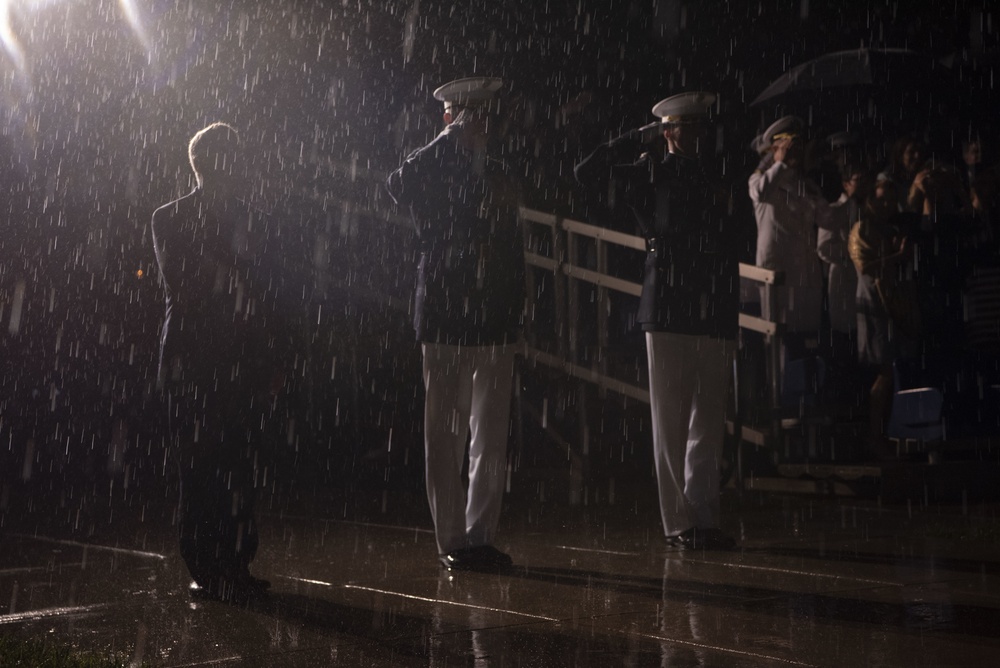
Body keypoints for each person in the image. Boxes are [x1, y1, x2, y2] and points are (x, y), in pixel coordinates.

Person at [575, 91, 738, 550]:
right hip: (669, 302)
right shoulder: (651, 171)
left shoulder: (716, 171)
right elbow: (586, 173)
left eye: (703, 126)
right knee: (671, 420)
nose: (700, 134)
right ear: (669, 131)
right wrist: (632, 139)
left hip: (713, 301)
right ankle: (679, 522)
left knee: (708, 418)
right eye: (689, 126)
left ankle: (705, 516)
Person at [386, 77, 524, 572]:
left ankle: (481, 534)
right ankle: (451, 538)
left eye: (486, 116)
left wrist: (516, 305)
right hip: (446, 309)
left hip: (493, 312)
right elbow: (396, 185)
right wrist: (445, 141)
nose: (482, 126)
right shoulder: (434, 164)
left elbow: (512, 245)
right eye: (471, 116)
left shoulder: (502, 169)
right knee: (445, 432)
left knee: (490, 432)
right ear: (452, 117)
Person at [152, 122, 290, 603]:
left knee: (237, 467)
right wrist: (234, 283)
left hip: (234, 361)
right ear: (208, 164)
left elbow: (265, 297)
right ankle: (208, 566)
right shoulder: (169, 218)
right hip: (193, 361)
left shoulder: (246, 220)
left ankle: (231, 562)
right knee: (201, 467)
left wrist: (270, 356)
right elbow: (185, 283)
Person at [749, 116, 835, 359]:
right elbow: (759, 191)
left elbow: (827, 220)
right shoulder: (761, 181)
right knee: (778, 343)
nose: (794, 153)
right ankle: (778, 393)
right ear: (775, 149)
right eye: (788, 147)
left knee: (806, 344)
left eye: (797, 147)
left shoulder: (805, 184)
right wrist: (779, 163)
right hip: (779, 275)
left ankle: (804, 392)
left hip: (806, 276)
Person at [848, 173, 918, 458]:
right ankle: (874, 435)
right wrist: (896, 258)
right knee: (884, 371)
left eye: (891, 199)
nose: (887, 204)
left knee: (890, 370)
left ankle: (883, 433)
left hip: (889, 303)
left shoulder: (889, 228)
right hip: (872, 303)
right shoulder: (862, 228)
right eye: (881, 199)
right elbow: (866, 267)